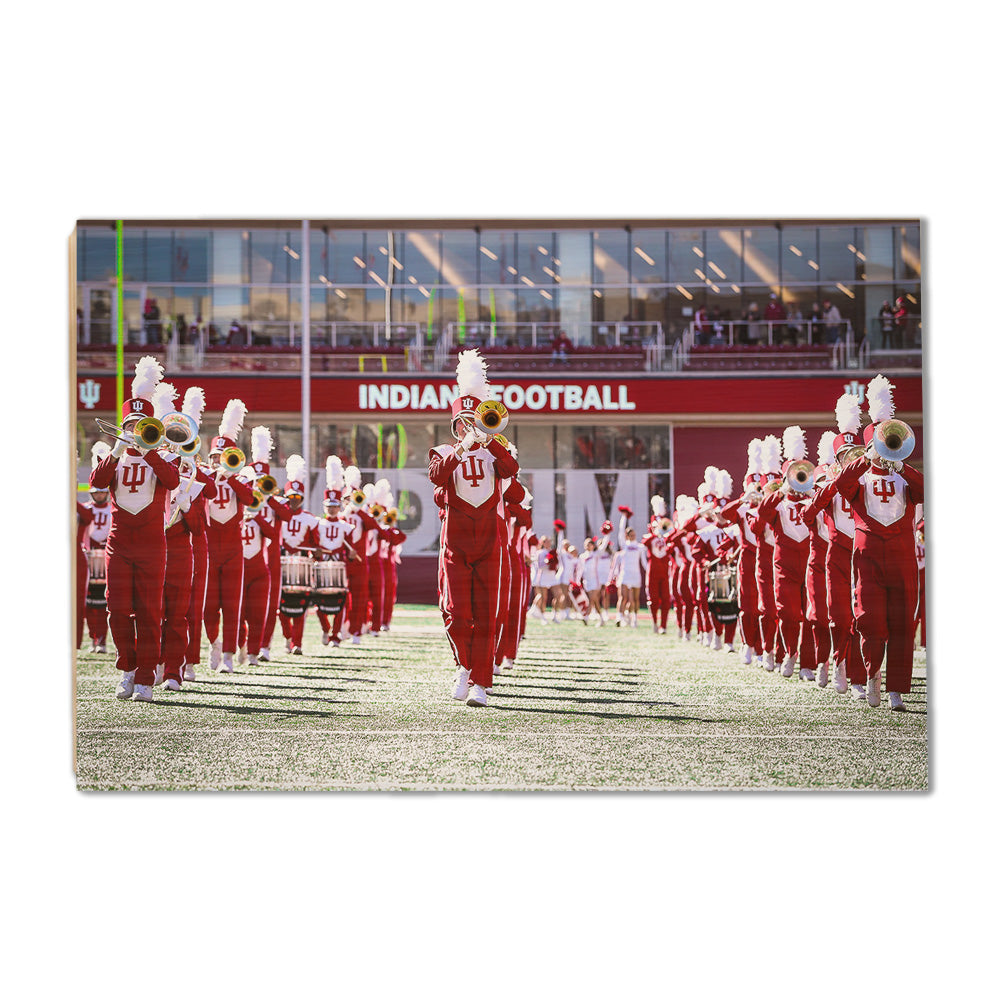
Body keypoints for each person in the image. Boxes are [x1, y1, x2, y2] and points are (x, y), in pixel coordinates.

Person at [429, 349, 520, 708]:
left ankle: (482, 681)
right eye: (464, 421)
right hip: (455, 541)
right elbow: (437, 477)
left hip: (489, 541)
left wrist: (490, 442)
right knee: (455, 611)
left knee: (486, 614)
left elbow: (511, 472)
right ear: (455, 424)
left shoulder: (499, 450)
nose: (470, 426)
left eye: (475, 419)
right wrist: (463, 446)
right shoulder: (442, 451)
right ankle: (463, 666)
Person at [89, 356, 181, 702]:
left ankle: (145, 676)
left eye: (142, 425)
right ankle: (128, 667)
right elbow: (97, 483)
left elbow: (172, 481)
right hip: (120, 541)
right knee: (115, 606)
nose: (136, 430)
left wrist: (151, 450)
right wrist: (116, 449)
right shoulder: (115, 456)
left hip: (152, 543)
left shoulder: (164, 458)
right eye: (131, 424)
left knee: (149, 610)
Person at [830, 375, 922, 711]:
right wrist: (864, 458)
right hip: (868, 558)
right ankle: (867, 677)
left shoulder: (903, 474)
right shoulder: (859, 477)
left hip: (902, 558)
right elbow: (841, 484)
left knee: (901, 623)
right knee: (868, 620)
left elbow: (926, 491)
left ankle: (896, 688)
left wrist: (902, 464)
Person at [203, 399, 256, 673]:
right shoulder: (202, 478)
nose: (217, 462)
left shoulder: (240, 480)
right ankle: (213, 643)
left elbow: (251, 499)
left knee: (232, 605)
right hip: (210, 547)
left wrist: (231, 476)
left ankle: (228, 654)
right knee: (208, 605)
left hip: (234, 548)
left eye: (222, 457)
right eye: (214, 457)